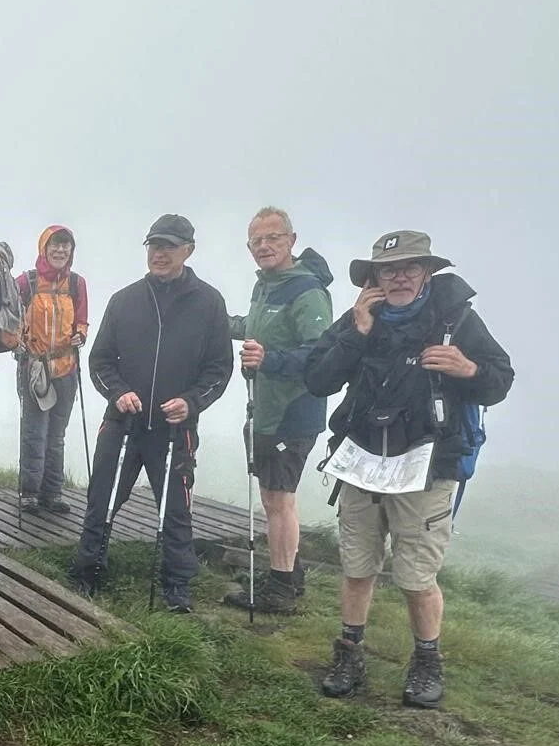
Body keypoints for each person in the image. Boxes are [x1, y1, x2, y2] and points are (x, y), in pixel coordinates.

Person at [304, 230, 513, 709]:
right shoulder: (359, 319)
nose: (398, 277)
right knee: (357, 569)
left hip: (428, 466)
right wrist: (356, 335)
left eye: (409, 268)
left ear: (428, 273)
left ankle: (426, 662)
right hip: (361, 462)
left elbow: (500, 381)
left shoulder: (458, 322)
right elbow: (317, 379)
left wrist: (469, 370)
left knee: (416, 577)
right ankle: (350, 653)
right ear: (374, 278)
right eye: (387, 270)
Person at [68, 215, 233, 610]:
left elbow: (219, 368)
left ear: (188, 250)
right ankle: (88, 570)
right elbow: (101, 361)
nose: (159, 253)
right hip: (123, 424)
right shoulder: (125, 300)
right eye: (154, 246)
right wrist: (119, 393)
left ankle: (177, 586)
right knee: (102, 499)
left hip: (176, 430)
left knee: (175, 508)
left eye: (169, 246)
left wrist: (192, 402)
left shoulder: (209, 303)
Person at [222, 208, 335, 614]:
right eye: (257, 241)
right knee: (278, 497)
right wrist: (218, 321)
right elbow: (255, 328)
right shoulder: (266, 286)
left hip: (293, 412)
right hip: (268, 410)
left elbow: (321, 352)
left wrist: (268, 360)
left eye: (273, 238)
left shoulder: (306, 290)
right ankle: (289, 571)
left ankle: (281, 588)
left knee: (277, 497)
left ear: (292, 239)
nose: (264, 246)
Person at [15, 225, 89, 514]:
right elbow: (9, 315)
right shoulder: (27, 282)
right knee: (35, 432)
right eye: (55, 245)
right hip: (34, 367)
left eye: (65, 246)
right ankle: (29, 493)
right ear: (43, 248)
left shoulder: (77, 283)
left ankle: (52, 493)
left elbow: (82, 319)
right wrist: (16, 339)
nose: (60, 250)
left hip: (66, 368)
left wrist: (80, 335)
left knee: (57, 434)